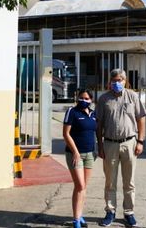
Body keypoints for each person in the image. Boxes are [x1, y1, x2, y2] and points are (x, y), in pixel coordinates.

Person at [96, 69, 146, 227]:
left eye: (120, 80)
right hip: (109, 144)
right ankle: (110, 212)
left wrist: (140, 141)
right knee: (110, 181)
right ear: (110, 82)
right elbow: (99, 123)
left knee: (129, 181)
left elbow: (141, 119)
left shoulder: (132, 96)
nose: (117, 83)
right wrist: (100, 145)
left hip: (129, 143)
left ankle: (129, 212)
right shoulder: (104, 99)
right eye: (114, 80)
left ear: (125, 81)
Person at [63, 89, 97, 228]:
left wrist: (96, 149)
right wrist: (75, 152)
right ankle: (76, 220)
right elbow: (66, 134)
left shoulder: (93, 114)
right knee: (80, 186)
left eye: (86, 98)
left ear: (91, 100)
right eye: (81, 98)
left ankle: (79, 214)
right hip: (75, 155)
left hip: (89, 155)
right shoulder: (72, 111)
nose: (83, 100)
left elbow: (95, 132)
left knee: (83, 187)